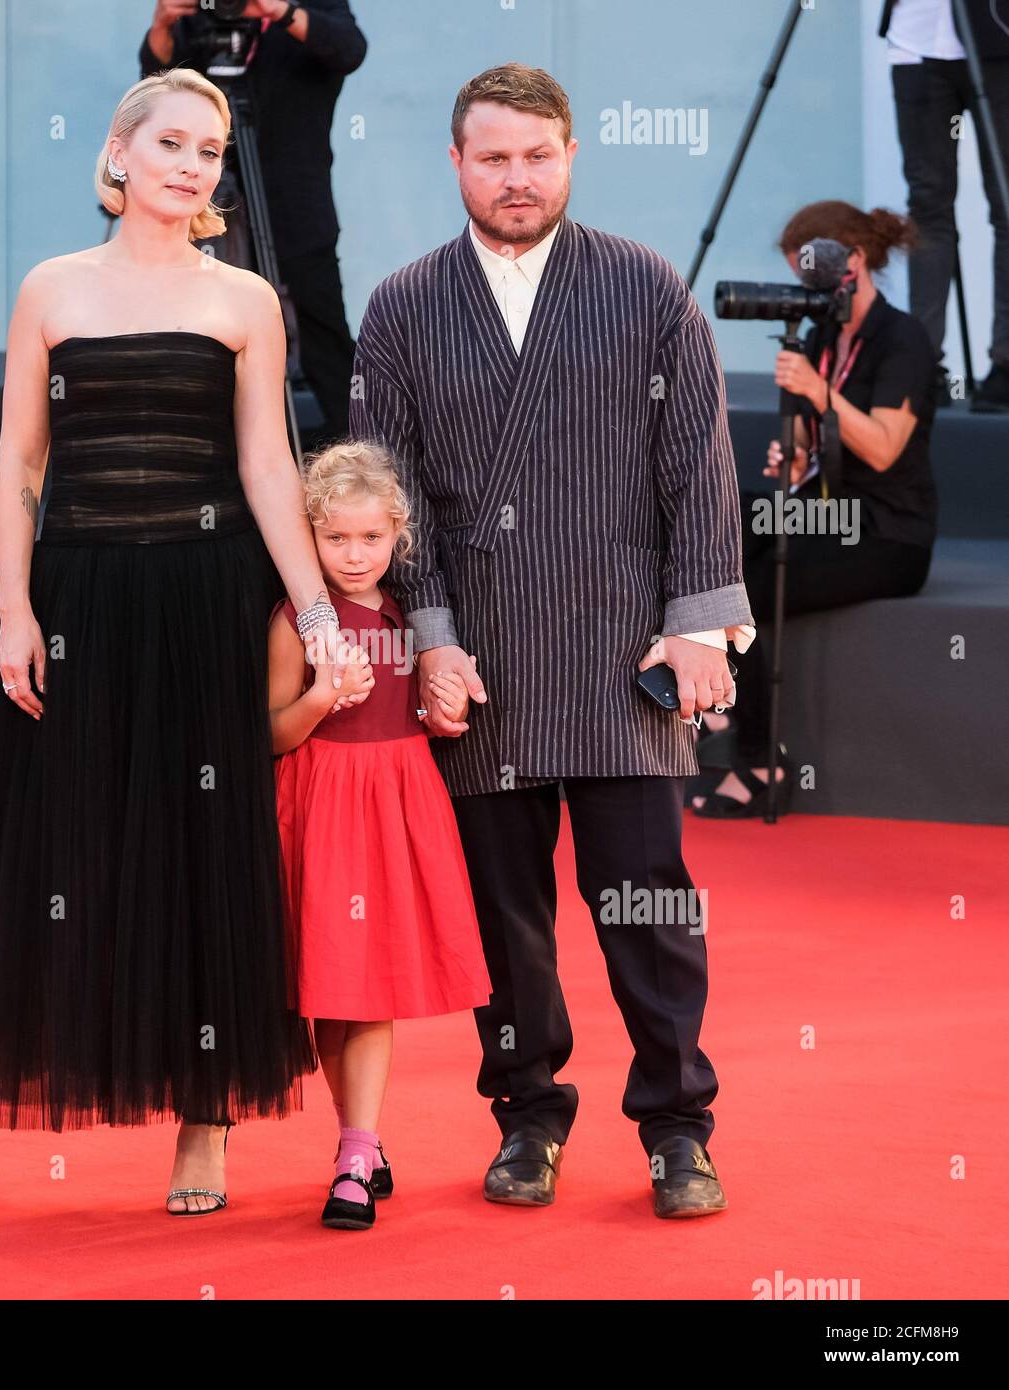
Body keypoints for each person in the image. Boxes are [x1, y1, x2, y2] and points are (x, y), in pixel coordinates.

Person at [0, 70, 363, 1217]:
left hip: (204, 598)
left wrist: (318, 611)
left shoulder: (245, 297)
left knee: (204, 848)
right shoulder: (50, 287)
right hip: (77, 595)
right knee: (32, 844)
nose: (193, 164)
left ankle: (205, 1120)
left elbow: (262, 468)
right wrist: (14, 607)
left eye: (211, 150)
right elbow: (18, 466)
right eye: (173, 144)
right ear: (119, 153)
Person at [349, 63, 754, 1219]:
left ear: (571, 154)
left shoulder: (642, 285)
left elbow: (699, 468)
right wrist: (426, 636)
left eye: (536, 156)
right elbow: (390, 488)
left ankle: (679, 1126)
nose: (515, 178)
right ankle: (527, 1115)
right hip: (482, 659)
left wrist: (696, 627)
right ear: (455, 164)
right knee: (503, 916)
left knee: (647, 903)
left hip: (625, 653)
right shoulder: (402, 304)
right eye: (493, 158)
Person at [268, 440, 492, 1229]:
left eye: (371, 538)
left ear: (397, 535)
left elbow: (423, 711)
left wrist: (440, 714)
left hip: (399, 807)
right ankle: (357, 1142)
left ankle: (356, 1153)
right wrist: (322, 697)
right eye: (336, 538)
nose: (355, 555)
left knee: (370, 993)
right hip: (323, 807)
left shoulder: (411, 614)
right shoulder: (296, 619)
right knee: (330, 989)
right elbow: (271, 734)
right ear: (310, 536)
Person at [694, 201, 938, 816]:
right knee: (720, 522)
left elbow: (882, 449)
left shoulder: (902, 337)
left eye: (813, 274)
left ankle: (756, 757)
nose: (808, 289)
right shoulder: (823, 333)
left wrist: (816, 390)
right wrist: (794, 453)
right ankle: (714, 716)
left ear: (852, 261)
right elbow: (812, 443)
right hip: (825, 510)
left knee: (742, 586)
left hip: (886, 533)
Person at [141, 0, 365, 450]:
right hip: (210, 205)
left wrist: (278, 10)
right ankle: (231, 447)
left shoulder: (306, 9)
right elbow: (155, 88)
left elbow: (349, 49)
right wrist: (163, 22)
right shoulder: (203, 14)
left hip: (296, 204)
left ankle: (356, 452)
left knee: (320, 327)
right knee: (211, 324)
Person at [880, 0, 1009, 408]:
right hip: (915, 40)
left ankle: (1006, 362)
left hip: (998, 37)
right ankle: (924, 362)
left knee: (1007, 206)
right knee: (927, 208)